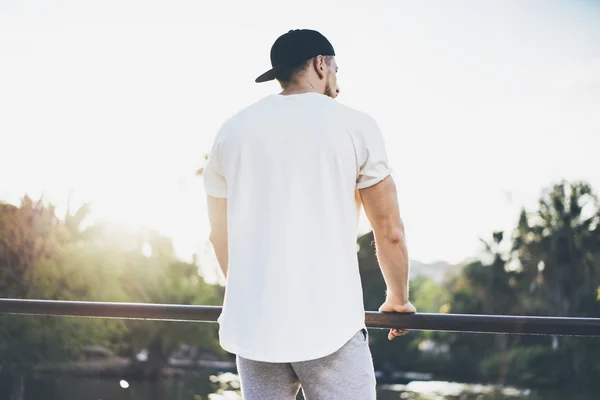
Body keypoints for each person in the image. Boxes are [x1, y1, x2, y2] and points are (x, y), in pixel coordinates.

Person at [203, 28, 415, 400]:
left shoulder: (231, 131)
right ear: (321, 64)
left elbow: (219, 236)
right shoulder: (355, 124)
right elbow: (390, 228)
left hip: (255, 329)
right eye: (336, 69)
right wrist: (398, 298)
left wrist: (249, 294)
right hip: (329, 324)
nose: (337, 81)